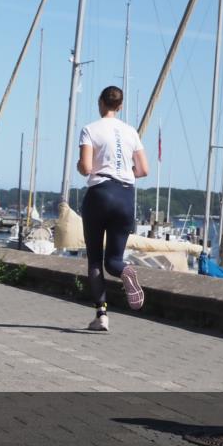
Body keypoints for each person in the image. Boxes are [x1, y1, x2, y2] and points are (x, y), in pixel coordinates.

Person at [76, 86, 149, 332]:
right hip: (125, 196)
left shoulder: (90, 129)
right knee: (114, 260)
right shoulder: (131, 132)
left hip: (100, 194)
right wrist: (126, 172)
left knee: (96, 261)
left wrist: (80, 164)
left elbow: (86, 167)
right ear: (120, 106)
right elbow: (143, 170)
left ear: (101, 102)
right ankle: (126, 270)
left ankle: (101, 316)